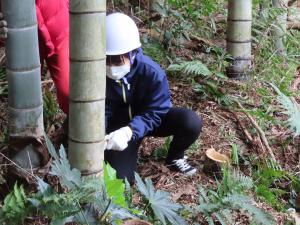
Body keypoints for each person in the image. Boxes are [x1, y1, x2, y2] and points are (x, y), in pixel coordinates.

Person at [104, 13, 203, 183]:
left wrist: (130, 131)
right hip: (116, 129)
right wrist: (100, 131)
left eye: (118, 61)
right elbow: (100, 108)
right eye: (108, 60)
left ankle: (175, 157)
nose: (112, 67)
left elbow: (156, 110)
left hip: (145, 122)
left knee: (190, 122)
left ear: (132, 54)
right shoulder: (94, 73)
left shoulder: (151, 72)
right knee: (120, 180)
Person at [0, 0, 70, 114]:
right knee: (25, 97)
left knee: (70, 92)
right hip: (20, 37)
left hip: (58, 29)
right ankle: (30, 128)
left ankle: (78, 125)